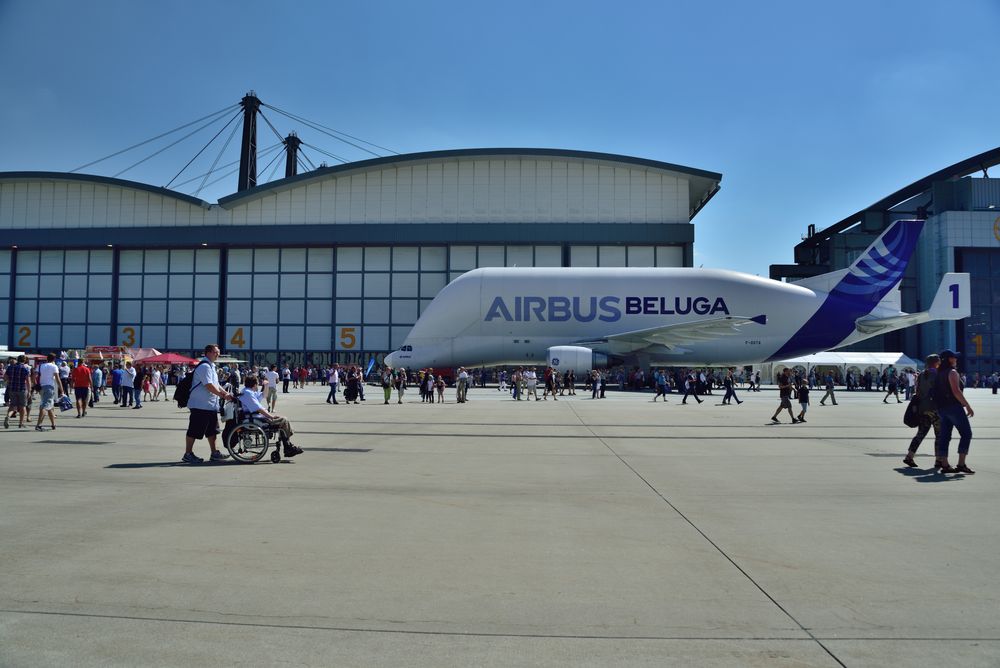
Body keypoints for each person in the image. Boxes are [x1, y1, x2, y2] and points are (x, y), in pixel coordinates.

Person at [182, 345, 233, 464]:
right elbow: (209, 386)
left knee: (212, 430)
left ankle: (214, 453)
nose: (218, 355)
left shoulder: (211, 366)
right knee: (194, 430)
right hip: (200, 405)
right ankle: (188, 454)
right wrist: (223, 396)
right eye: (216, 352)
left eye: (218, 352)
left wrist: (226, 393)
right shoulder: (204, 366)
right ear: (208, 353)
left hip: (209, 405)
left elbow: (216, 384)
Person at [238, 375, 302, 457]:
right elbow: (258, 408)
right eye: (257, 383)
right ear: (254, 385)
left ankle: (288, 446)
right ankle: (288, 446)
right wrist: (270, 416)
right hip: (254, 418)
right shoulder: (248, 393)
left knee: (282, 421)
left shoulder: (248, 391)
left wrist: (266, 385)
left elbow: (264, 395)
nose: (258, 385)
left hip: (255, 416)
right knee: (283, 420)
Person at [933, 350, 975, 474]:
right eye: (954, 358)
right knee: (966, 434)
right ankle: (961, 464)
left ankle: (944, 464)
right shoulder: (952, 372)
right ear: (949, 360)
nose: (956, 360)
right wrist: (967, 405)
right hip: (953, 407)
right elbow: (956, 391)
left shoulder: (939, 373)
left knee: (945, 436)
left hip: (942, 408)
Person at [903, 355, 941, 468]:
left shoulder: (921, 374)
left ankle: (909, 456)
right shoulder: (937, 374)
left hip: (923, 408)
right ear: (936, 362)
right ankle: (938, 460)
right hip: (935, 409)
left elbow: (917, 391)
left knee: (920, 434)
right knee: (939, 435)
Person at [35, 353, 63, 432]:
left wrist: (35, 384)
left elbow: (34, 375)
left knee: (50, 406)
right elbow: (57, 379)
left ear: (47, 358)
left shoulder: (40, 366)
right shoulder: (54, 366)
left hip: (41, 388)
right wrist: (62, 390)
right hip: (49, 387)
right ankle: (38, 425)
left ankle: (53, 424)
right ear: (54, 359)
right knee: (45, 406)